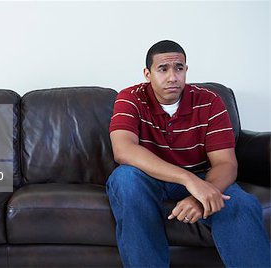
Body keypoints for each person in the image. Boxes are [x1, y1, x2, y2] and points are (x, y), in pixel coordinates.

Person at [106, 40, 270, 267]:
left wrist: (199, 196)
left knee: (240, 204)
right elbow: (123, 150)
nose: (172, 77)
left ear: (186, 70)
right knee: (125, 178)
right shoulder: (130, 98)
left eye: (179, 68)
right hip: (149, 178)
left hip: (203, 175)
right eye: (163, 69)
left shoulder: (210, 101)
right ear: (147, 73)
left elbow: (225, 163)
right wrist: (189, 180)